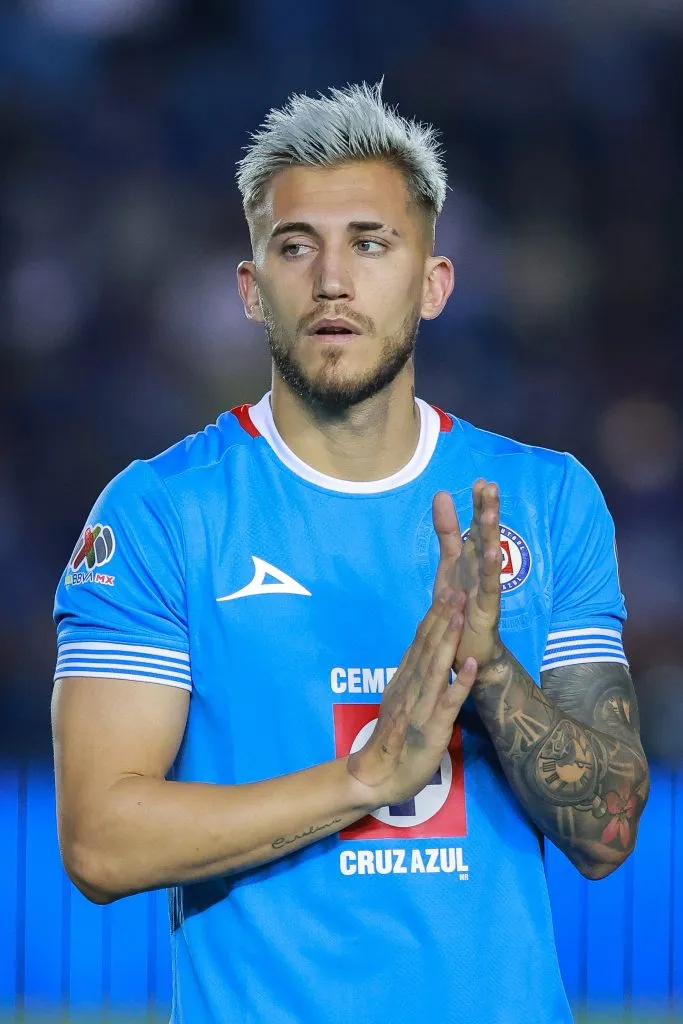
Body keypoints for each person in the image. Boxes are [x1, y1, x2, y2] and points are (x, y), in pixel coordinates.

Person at [52, 83, 649, 1023]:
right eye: (296, 247)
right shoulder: (163, 513)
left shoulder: (544, 498)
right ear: (252, 290)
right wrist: (364, 778)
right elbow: (98, 842)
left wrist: (487, 667)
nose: (333, 278)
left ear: (433, 282)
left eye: (371, 243)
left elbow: (607, 830)